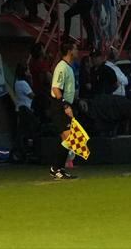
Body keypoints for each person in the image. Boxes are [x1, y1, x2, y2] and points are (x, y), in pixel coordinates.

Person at [48, 41, 79, 179]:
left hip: (65, 105)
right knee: (70, 138)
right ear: (70, 51)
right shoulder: (62, 67)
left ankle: (58, 168)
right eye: (75, 48)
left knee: (66, 139)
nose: (77, 50)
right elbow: (56, 88)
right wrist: (65, 105)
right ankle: (55, 168)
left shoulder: (68, 67)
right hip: (60, 106)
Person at [11, 63, 36, 164]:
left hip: (21, 108)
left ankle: (21, 151)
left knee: (22, 131)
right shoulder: (23, 83)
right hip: (26, 108)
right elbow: (32, 95)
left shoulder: (17, 83)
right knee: (28, 130)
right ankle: (26, 150)